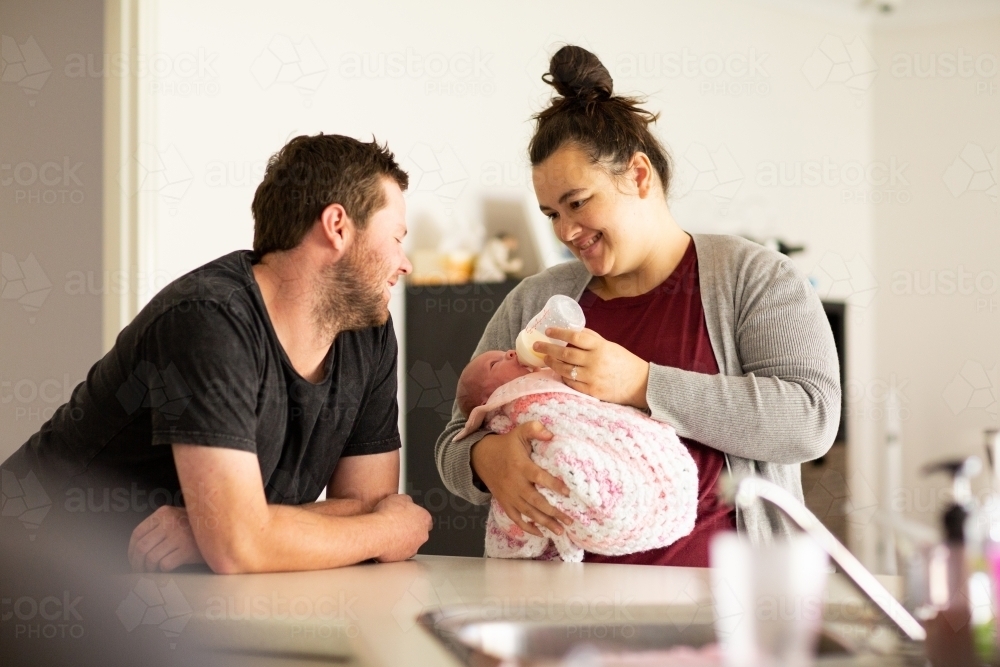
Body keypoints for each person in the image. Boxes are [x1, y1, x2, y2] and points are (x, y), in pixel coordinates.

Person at [435, 46, 841, 567]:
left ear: (639, 175)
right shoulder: (535, 300)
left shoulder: (754, 279)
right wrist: (485, 459)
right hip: (559, 621)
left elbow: (809, 419)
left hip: (716, 615)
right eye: (551, 214)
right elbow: (453, 438)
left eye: (578, 203)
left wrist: (642, 384)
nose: (565, 231)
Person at [1, 134, 432, 573]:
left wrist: (215, 528)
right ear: (337, 226)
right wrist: (387, 531)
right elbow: (241, 547)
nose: (405, 262)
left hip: (145, 592)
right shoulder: (209, 318)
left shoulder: (367, 334)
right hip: (29, 573)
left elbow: (368, 503)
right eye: (396, 237)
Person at [455, 350, 699, 563]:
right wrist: (484, 454)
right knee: (568, 460)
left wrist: (644, 383)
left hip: (694, 565)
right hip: (562, 587)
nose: (509, 352)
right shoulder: (504, 405)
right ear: (487, 401)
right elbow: (455, 437)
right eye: (495, 364)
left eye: (505, 353)